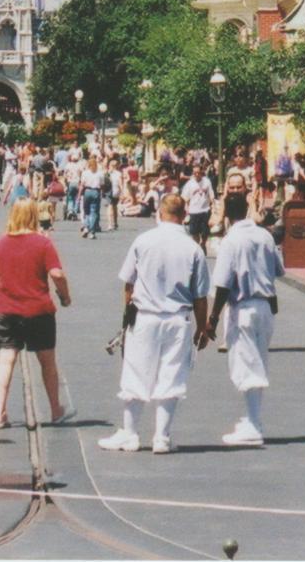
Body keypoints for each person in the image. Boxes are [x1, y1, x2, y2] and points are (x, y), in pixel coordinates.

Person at [99, 193, 211, 455]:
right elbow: (200, 296)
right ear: (184, 216)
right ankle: (162, 436)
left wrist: (127, 315)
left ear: (159, 213)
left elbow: (129, 283)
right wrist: (202, 327)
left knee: (136, 372)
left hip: (145, 316)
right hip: (178, 319)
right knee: (171, 375)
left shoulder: (143, 241)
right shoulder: (193, 248)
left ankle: (130, 433)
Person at [203, 189, 284, 447]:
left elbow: (223, 283)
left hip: (244, 306)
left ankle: (252, 424)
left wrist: (213, 318)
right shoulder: (265, 236)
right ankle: (254, 419)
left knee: (246, 365)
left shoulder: (231, 241)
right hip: (266, 306)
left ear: (227, 214)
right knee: (259, 362)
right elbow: (278, 270)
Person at [0, 198, 72, 428]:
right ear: (35, 215)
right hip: (38, 310)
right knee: (47, 362)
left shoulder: (0, 244)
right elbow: (57, 274)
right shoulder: (43, 243)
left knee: (5, 361)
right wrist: (65, 296)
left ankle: (0, 413)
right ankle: (55, 410)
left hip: (7, 310)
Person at [180, 162, 215, 248]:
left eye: (198, 172)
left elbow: (211, 195)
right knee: (194, 232)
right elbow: (184, 198)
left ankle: (203, 243)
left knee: (205, 231)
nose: (197, 174)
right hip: (194, 211)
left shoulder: (207, 182)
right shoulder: (189, 184)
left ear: (201, 172)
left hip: (205, 210)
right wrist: (186, 210)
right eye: (195, 173)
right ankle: (197, 246)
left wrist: (213, 205)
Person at [80, 157, 104, 239]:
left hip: (87, 191)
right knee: (93, 212)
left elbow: (82, 184)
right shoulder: (100, 173)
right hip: (96, 191)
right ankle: (92, 231)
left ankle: (86, 227)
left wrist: (79, 195)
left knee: (86, 211)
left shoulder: (85, 173)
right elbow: (102, 184)